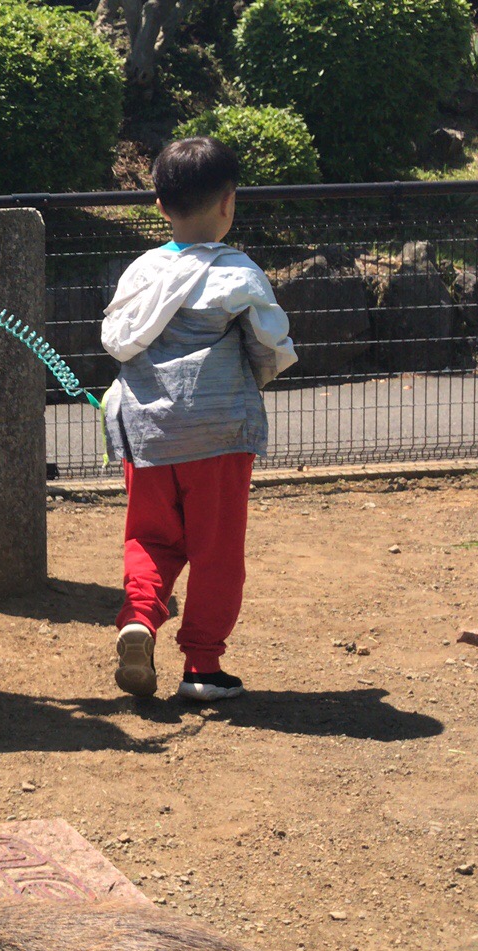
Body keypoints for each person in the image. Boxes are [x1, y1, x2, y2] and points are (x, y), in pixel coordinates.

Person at [100, 136, 298, 703]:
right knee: (216, 550)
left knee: (150, 537)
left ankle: (140, 618)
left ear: (160, 206)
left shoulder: (140, 272)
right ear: (229, 203)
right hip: (218, 435)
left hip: (147, 433)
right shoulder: (238, 274)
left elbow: (121, 341)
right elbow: (269, 344)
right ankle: (203, 668)